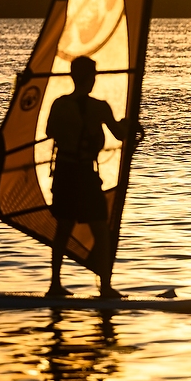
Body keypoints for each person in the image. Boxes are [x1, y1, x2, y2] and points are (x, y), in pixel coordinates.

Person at [45, 56, 129, 298]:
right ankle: (105, 287)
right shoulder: (99, 107)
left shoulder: (59, 104)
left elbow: (50, 131)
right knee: (101, 230)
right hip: (83, 174)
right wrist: (129, 123)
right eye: (93, 75)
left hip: (63, 173)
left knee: (63, 228)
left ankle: (55, 284)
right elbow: (120, 135)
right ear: (91, 78)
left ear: (73, 76)